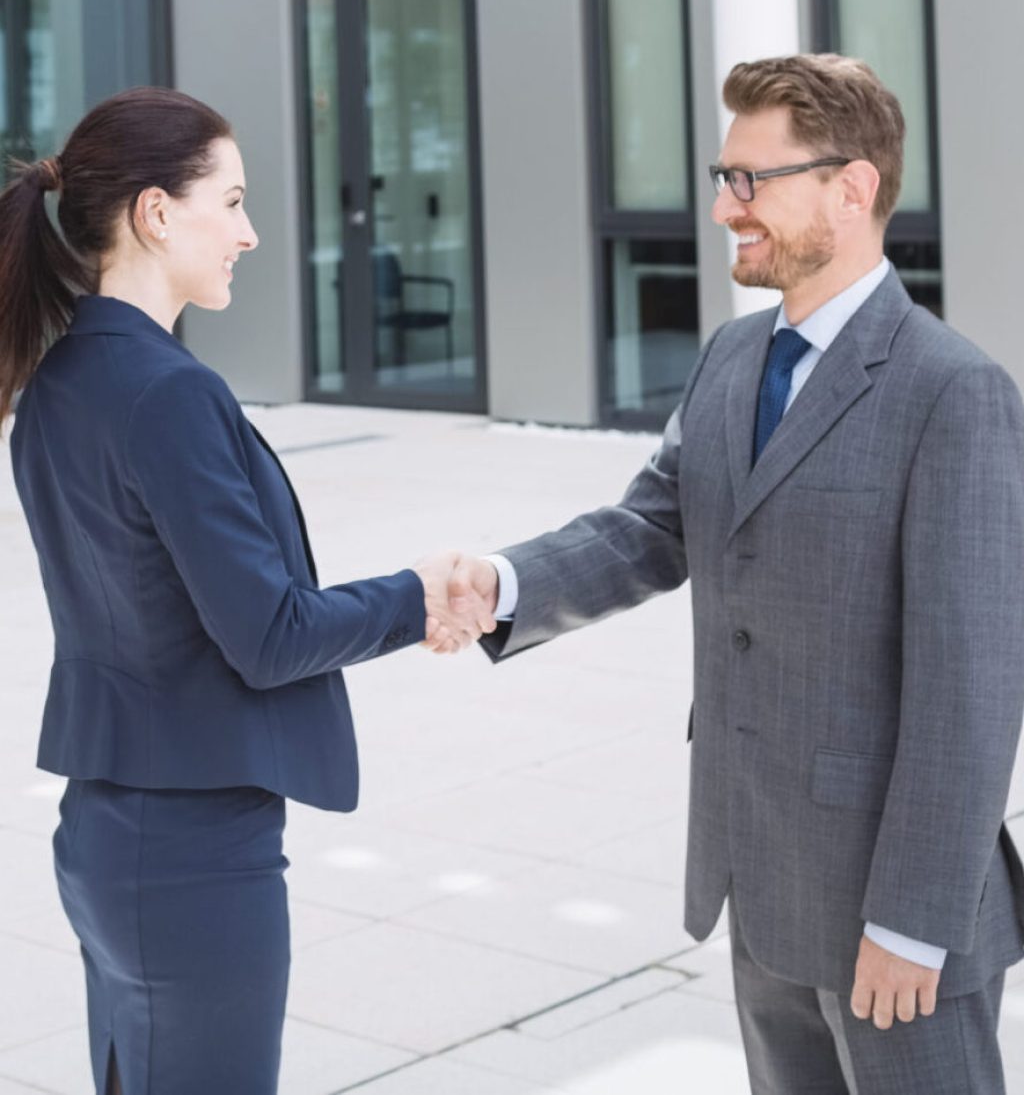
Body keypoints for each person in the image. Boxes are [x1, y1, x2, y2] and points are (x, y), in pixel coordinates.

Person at [444, 54, 1024, 1094]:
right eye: (723, 176)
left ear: (852, 188)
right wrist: (503, 582)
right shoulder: (728, 357)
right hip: (758, 882)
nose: (723, 207)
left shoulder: (954, 392)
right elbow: (648, 528)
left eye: (750, 179)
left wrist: (913, 920)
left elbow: (970, 693)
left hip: (889, 916)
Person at [0, 86, 493, 1095]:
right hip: (193, 848)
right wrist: (419, 592)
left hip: (107, 827)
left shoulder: (55, 384)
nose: (250, 232)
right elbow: (267, 632)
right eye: (229, 201)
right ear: (155, 212)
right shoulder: (170, 391)